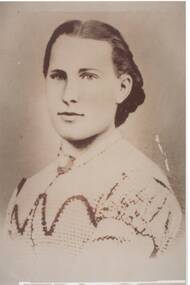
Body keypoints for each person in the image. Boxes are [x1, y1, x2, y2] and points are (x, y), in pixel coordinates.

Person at [3, 19, 182, 279]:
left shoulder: (141, 189)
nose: (69, 94)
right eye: (58, 76)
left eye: (88, 76)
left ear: (122, 88)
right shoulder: (29, 188)